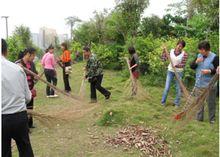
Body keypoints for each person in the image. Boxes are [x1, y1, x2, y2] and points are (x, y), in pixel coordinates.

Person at [2, 39, 34, 157]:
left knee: (4, 152)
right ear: (6, 51)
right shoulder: (17, 69)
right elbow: (27, 97)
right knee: (25, 149)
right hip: (19, 117)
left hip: (2, 119)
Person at [190, 41, 219, 124]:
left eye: (202, 50)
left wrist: (209, 71)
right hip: (199, 84)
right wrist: (196, 62)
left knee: (211, 103)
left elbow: (218, 71)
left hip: (210, 85)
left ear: (207, 49)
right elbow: (192, 66)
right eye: (200, 50)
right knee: (199, 102)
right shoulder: (199, 56)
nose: (200, 51)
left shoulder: (215, 57)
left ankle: (212, 119)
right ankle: (199, 118)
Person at [161, 40, 188, 107]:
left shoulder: (184, 54)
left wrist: (176, 66)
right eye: (179, 45)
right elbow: (163, 59)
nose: (179, 47)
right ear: (176, 45)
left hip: (179, 72)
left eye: (181, 46)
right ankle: (163, 102)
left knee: (178, 88)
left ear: (183, 47)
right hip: (170, 71)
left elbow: (183, 64)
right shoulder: (171, 51)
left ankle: (177, 103)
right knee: (167, 87)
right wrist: (164, 52)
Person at [15, 48, 38, 128]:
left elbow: (35, 74)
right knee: (24, 109)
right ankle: (25, 126)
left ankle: (30, 124)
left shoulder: (32, 64)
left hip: (30, 89)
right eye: (33, 55)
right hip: (22, 91)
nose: (34, 57)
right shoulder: (18, 64)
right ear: (28, 54)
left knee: (30, 107)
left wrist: (36, 78)